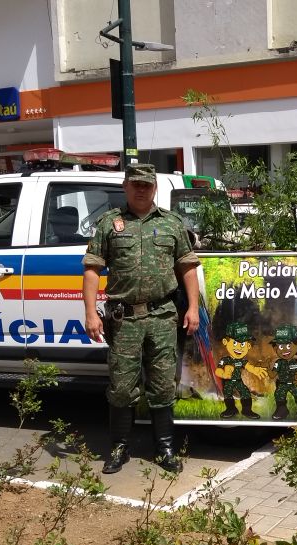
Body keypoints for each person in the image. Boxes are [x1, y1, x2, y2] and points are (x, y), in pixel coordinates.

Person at [82, 163, 201, 474]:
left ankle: (164, 449)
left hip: (163, 316)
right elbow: (92, 269)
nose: (140, 189)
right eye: (135, 184)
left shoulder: (172, 223)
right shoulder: (110, 223)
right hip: (124, 320)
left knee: (162, 385)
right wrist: (89, 313)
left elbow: (187, 267)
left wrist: (192, 308)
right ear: (125, 186)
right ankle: (119, 448)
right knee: (122, 387)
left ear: (154, 188)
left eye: (146, 185)